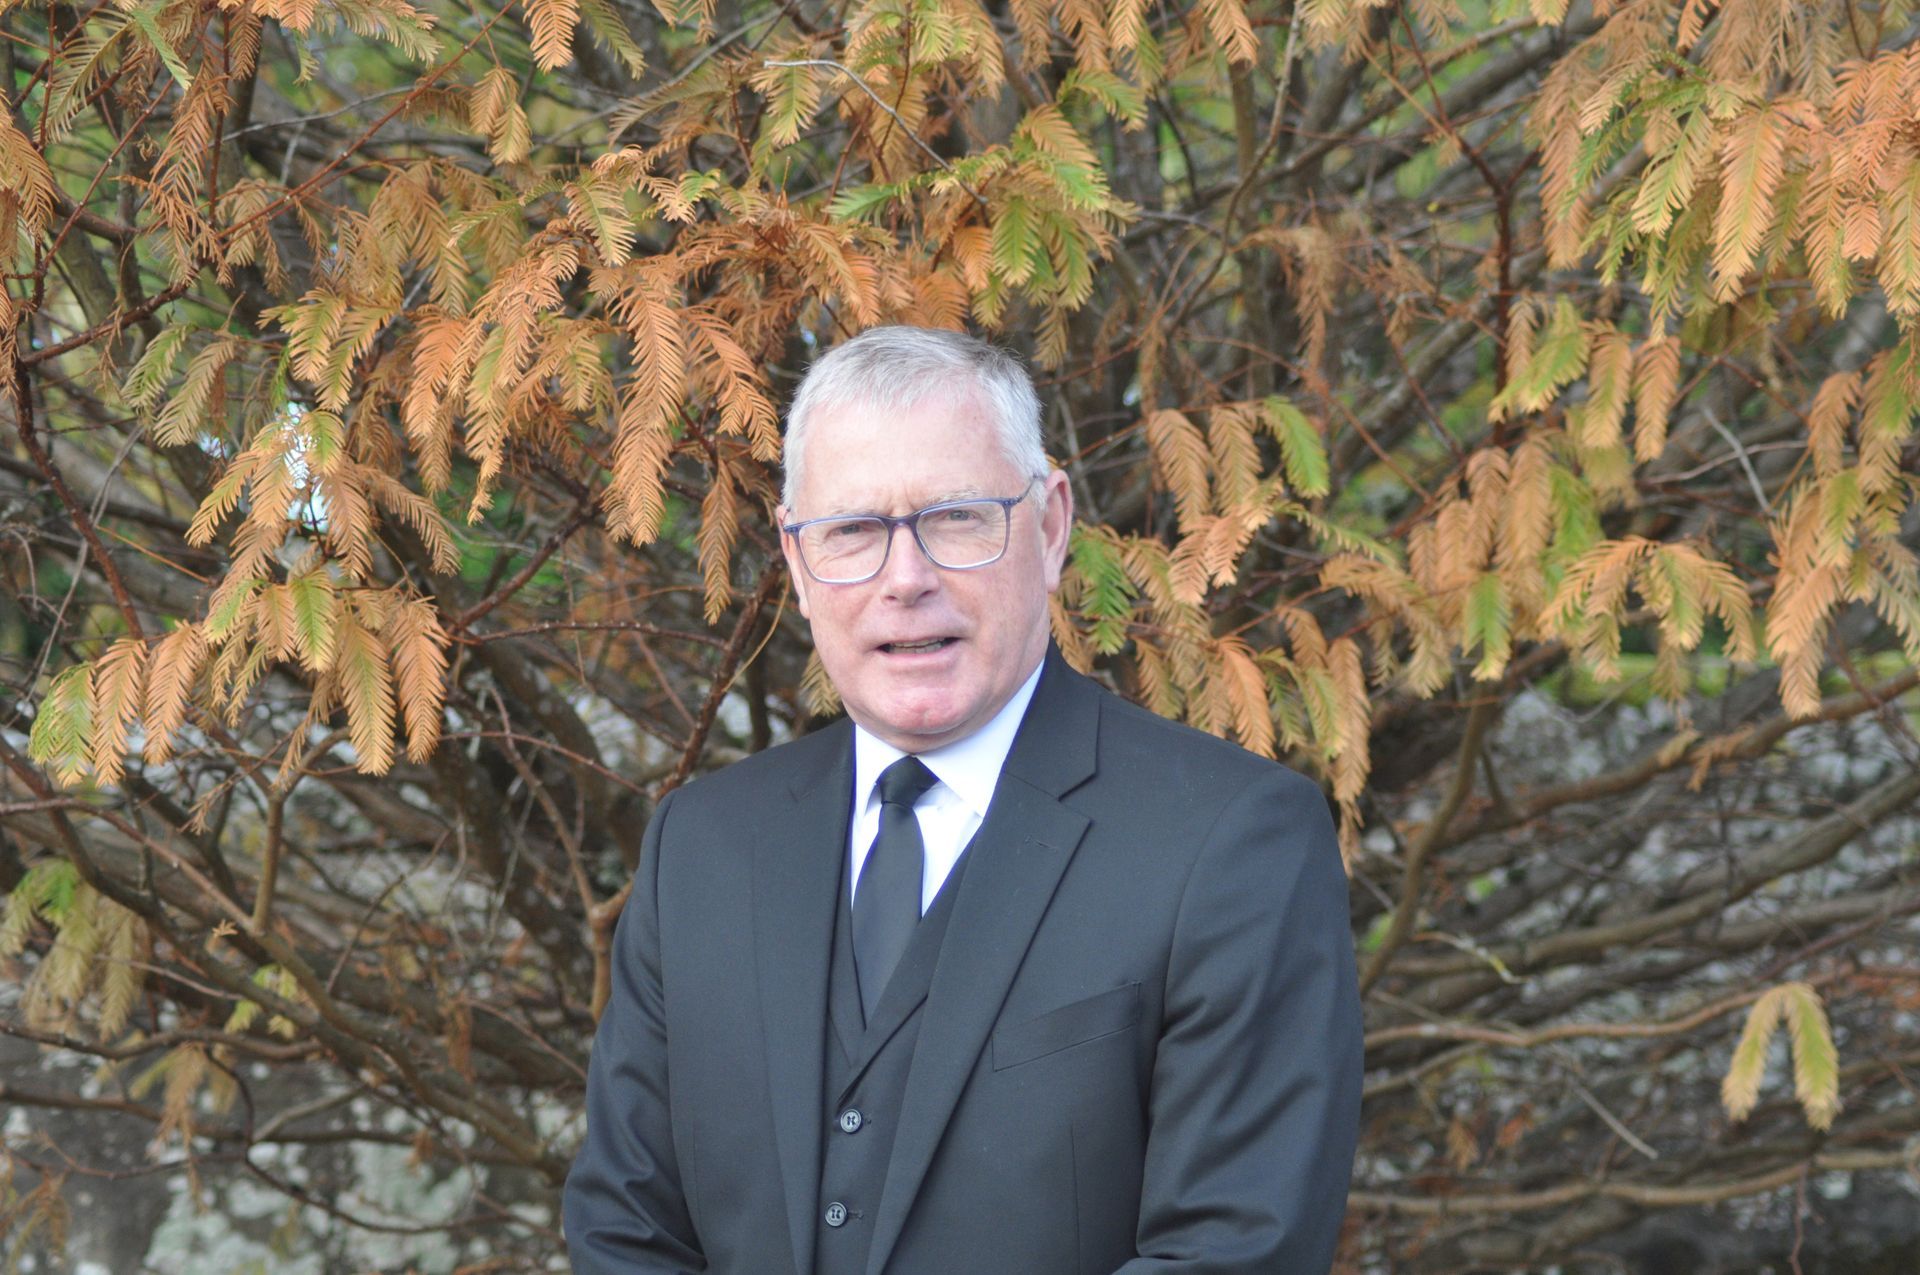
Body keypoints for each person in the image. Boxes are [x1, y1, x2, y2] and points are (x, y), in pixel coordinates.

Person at [563, 326, 1363, 1274]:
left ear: (1052, 523)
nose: (906, 579)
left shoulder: (1232, 842)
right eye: (852, 531)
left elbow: (1235, 1250)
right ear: (796, 561)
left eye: (955, 518)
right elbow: (627, 1230)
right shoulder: (703, 846)